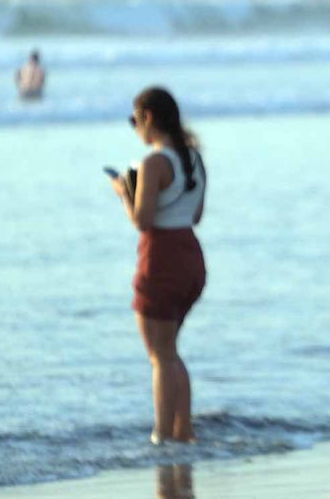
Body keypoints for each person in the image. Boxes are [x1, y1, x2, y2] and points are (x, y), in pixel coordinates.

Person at [110, 87, 207, 445]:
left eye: (135, 120)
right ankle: (184, 432)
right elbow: (195, 214)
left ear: (148, 118)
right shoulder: (193, 157)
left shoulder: (152, 163)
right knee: (169, 351)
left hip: (161, 256)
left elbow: (142, 219)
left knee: (161, 355)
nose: (135, 127)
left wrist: (124, 192)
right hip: (191, 256)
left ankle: (162, 437)